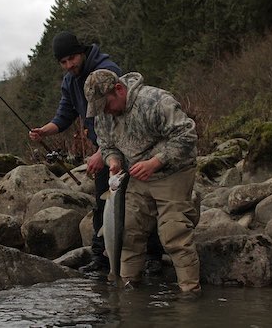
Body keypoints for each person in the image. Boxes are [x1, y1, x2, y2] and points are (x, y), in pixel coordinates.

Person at [29, 31, 164, 274]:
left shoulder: (106, 70)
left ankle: (153, 255)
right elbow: (65, 114)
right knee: (102, 205)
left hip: (130, 146)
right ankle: (102, 261)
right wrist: (45, 131)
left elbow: (116, 118)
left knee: (142, 202)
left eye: (72, 58)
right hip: (106, 150)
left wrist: (102, 152)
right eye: (63, 62)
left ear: (81, 52)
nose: (69, 65)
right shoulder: (70, 81)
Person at [84, 69, 201, 296]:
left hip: (173, 171)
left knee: (173, 231)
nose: (105, 112)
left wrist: (156, 162)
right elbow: (107, 145)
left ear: (118, 90)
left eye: (106, 105)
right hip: (137, 174)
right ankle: (129, 289)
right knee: (128, 229)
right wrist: (114, 161)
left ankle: (190, 294)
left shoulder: (156, 101)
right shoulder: (104, 115)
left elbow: (187, 135)